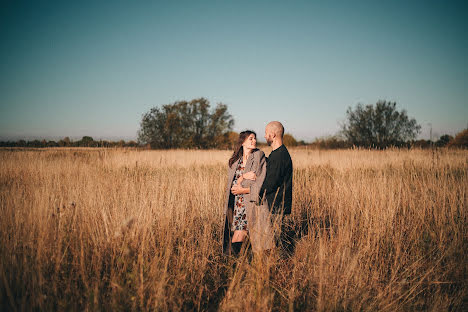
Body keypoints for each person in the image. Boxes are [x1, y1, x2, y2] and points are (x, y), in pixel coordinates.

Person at [222, 131, 267, 256]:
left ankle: (232, 261)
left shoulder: (259, 156)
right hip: (237, 204)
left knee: (240, 234)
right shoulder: (236, 160)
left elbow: (260, 181)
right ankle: (234, 262)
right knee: (238, 234)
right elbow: (232, 185)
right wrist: (243, 177)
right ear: (242, 142)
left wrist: (243, 188)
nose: (254, 141)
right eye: (250, 139)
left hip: (250, 202)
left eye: (254, 138)